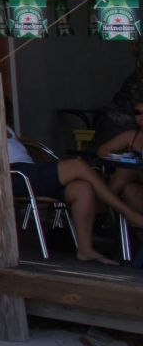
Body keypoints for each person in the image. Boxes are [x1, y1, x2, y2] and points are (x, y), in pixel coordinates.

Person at [8, 128, 143, 265]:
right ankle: (129, 214)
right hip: (15, 175)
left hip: (33, 174)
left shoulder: (8, 128)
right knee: (77, 165)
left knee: (82, 189)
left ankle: (85, 250)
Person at [95, 100, 143, 215]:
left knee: (126, 170)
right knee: (129, 190)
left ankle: (97, 208)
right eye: (138, 113)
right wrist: (121, 158)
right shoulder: (132, 135)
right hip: (135, 182)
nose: (141, 117)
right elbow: (102, 150)